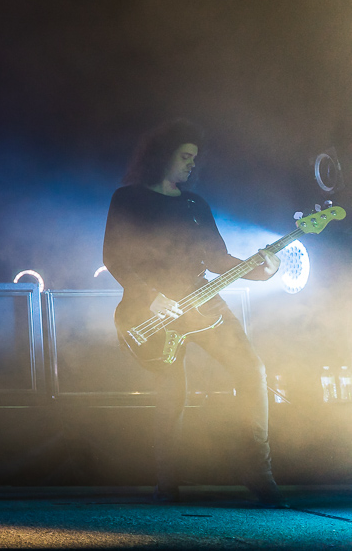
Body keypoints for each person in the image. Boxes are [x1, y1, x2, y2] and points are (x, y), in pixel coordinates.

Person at [102, 120, 286, 507]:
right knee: (173, 393)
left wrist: (263, 270)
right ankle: (167, 485)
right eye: (185, 157)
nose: (191, 165)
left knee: (252, 371)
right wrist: (151, 296)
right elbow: (113, 256)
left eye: (194, 159)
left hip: (203, 300)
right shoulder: (128, 199)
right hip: (152, 308)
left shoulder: (194, 204)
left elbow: (219, 258)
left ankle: (260, 476)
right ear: (162, 156)